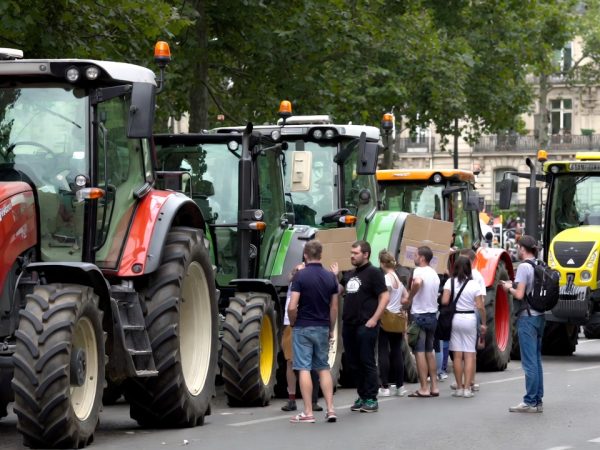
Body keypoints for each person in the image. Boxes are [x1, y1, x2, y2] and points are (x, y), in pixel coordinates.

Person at [288, 240, 339, 423]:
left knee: (304, 368)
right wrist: (330, 328)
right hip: (322, 326)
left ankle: (308, 412)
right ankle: (331, 409)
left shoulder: (300, 276)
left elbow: (292, 306)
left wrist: (293, 322)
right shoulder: (330, 277)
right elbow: (334, 307)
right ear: (321, 255)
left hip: (303, 326)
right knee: (323, 368)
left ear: (305, 255)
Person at [341, 240, 389, 412]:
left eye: (355, 253)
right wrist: (332, 276)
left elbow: (384, 297)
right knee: (353, 363)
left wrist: (375, 319)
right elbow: (340, 291)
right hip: (349, 324)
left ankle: (371, 398)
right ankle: (362, 395)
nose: (352, 256)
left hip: (366, 324)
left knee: (366, 361)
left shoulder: (374, 273)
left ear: (366, 254)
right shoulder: (350, 274)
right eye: (351, 253)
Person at [501, 235, 544, 413]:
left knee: (529, 362)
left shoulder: (524, 267)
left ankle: (530, 401)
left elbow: (519, 295)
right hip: (540, 316)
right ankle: (537, 400)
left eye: (518, 247)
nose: (517, 250)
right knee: (536, 360)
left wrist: (508, 288)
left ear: (523, 249)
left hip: (527, 317)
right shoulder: (538, 264)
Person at [440, 256, 486, 398]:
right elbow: (480, 306)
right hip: (470, 318)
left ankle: (459, 388)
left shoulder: (450, 282)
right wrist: (484, 323)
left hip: (455, 319)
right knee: (470, 354)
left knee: (457, 355)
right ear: (468, 268)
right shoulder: (474, 284)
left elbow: (445, 301)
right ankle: (467, 389)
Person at [406, 246, 440, 398]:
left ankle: (424, 388)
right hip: (432, 315)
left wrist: (409, 298)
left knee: (419, 352)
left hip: (420, 315)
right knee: (429, 352)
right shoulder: (434, 273)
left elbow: (417, 283)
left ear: (422, 258)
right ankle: (434, 387)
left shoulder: (419, 271)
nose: (413, 257)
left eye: (415, 255)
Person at [452, 248, 487, 392]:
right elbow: (481, 301)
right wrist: (483, 322)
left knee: (460, 352)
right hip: (473, 313)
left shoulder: (458, 278)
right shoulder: (477, 277)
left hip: (463, 313)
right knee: (470, 350)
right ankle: (470, 381)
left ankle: (463, 382)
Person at [377, 250, 409, 397]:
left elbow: (384, 298)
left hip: (386, 317)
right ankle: (400, 386)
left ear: (382, 263)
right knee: (397, 351)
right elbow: (406, 297)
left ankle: (384, 387)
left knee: (383, 351)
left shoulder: (386, 279)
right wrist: (399, 305)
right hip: (397, 318)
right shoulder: (398, 279)